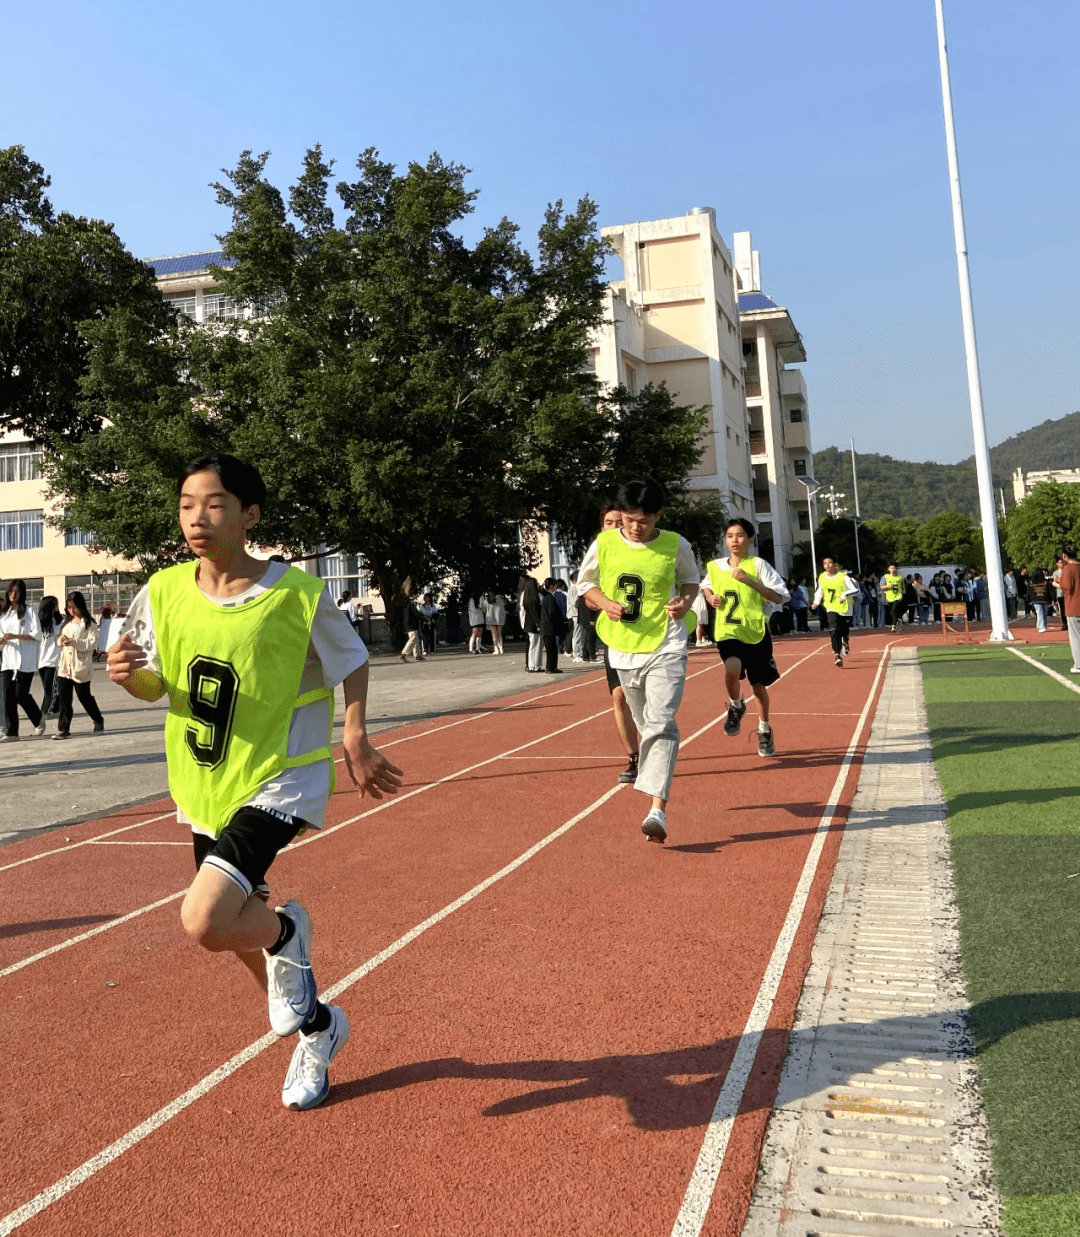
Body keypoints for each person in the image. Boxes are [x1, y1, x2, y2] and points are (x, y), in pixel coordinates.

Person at [107, 452, 402, 1112]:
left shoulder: (295, 593)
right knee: (234, 932)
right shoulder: (161, 591)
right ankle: (320, 1028)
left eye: (213, 503)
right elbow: (161, 684)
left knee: (203, 917)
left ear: (250, 514)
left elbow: (350, 659)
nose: (197, 517)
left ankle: (287, 934)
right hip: (203, 784)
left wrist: (354, 733)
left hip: (279, 777)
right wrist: (132, 678)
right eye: (186, 504)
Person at [577, 479, 699, 843]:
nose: (634, 527)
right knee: (647, 725)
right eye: (628, 520)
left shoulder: (676, 545)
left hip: (666, 643)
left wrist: (685, 602)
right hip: (623, 648)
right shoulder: (604, 544)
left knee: (662, 722)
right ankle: (652, 788)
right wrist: (604, 602)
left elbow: (690, 582)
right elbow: (585, 586)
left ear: (656, 517)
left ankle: (656, 810)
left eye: (642, 521)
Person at [702, 518, 789, 758]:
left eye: (740, 535)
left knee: (758, 686)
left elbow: (779, 597)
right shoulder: (714, 566)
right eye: (730, 535)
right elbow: (706, 587)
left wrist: (748, 581)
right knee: (731, 670)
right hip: (728, 632)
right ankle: (736, 705)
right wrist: (710, 597)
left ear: (750, 539)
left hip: (756, 632)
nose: (734, 540)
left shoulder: (758, 565)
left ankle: (764, 729)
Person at [53, 591, 105, 738]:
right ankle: (63, 728)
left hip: (80, 666)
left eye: (74, 607)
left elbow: (92, 643)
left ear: (81, 606)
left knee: (84, 697)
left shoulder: (89, 624)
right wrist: (61, 641)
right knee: (64, 698)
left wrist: (74, 642)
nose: (71, 610)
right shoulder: (66, 623)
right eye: (69, 607)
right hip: (65, 667)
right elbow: (57, 640)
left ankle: (97, 719)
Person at [0, 579, 46, 741]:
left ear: (22, 594)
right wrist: (3, 640)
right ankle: (12, 732)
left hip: (25, 660)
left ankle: (38, 718)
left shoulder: (29, 611)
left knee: (20, 694)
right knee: (8, 695)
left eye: (17, 592)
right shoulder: (4, 614)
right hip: (8, 660)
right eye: (11, 591)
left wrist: (15, 636)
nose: (13, 594)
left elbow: (37, 635)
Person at [814, 556, 859, 668]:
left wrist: (844, 595)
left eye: (830, 563)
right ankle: (837, 655)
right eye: (825, 563)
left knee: (844, 629)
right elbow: (820, 591)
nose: (827, 565)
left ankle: (845, 640)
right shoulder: (822, 577)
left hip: (844, 607)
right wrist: (816, 602)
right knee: (834, 630)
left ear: (834, 564)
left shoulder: (843, 577)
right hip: (831, 607)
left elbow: (855, 590)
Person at [37, 595, 64, 717]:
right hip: (41, 660)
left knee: (50, 689)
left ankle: (45, 711)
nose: (57, 607)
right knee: (48, 687)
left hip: (54, 660)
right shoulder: (38, 622)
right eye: (55, 604)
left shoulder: (60, 621)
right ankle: (56, 709)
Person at [1058, 546, 1080, 672]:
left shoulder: (1068, 569)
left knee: (1076, 637)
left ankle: (1078, 664)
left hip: (1073, 607)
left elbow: (1066, 587)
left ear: (1065, 556)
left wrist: (1057, 583)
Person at [540, 578, 565, 673]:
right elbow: (552, 612)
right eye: (555, 585)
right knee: (551, 649)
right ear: (551, 586)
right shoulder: (549, 597)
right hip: (549, 627)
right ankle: (551, 667)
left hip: (547, 627)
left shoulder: (546, 597)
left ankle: (552, 667)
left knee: (551, 648)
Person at [519, 577, 543, 671]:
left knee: (537, 645)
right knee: (534, 645)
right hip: (532, 624)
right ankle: (533, 665)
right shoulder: (531, 598)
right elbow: (534, 613)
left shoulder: (528, 596)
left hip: (530, 623)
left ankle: (536, 665)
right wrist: (538, 624)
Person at [400, 590, 426, 662]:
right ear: (413, 595)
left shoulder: (406, 602)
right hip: (411, 623)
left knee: (416, 639)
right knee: (413, 638)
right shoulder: (411, 603)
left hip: (408, 623)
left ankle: (418, 655)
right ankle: (404, 654)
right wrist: (423, 618)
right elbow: (416, 613)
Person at [1028, 568, 1052, 634]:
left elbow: (1029, 592)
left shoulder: (1031, 582)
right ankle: (1042, 626)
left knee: (1040, 613)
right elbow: (1050, 591)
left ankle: (1041, 625)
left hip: (1037, 599)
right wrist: (1052, 599)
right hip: (1044, 599)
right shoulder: (1045, 582)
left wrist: (1030, 599)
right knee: (1042, 613)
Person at [881, 564, 903, 631]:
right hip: (889, 596)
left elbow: (902, 586)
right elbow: (882, 586)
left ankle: (893, 625)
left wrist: (903, 591)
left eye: (894, 568)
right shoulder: (885, 577)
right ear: (888, 569)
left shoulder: (900, 577)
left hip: (898, 596)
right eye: (891, 568)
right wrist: (888, 587)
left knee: (894, 610)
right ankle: (898, 619)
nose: (893, 570)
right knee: (892, 612)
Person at [483, 590, 505, 655]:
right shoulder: (500, 599)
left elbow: (484, 607)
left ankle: (496, 648)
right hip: (499, 618)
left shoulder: (487, 600)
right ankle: (501, 648)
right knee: (499, 634)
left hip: (491, 618)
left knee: (494, 634)